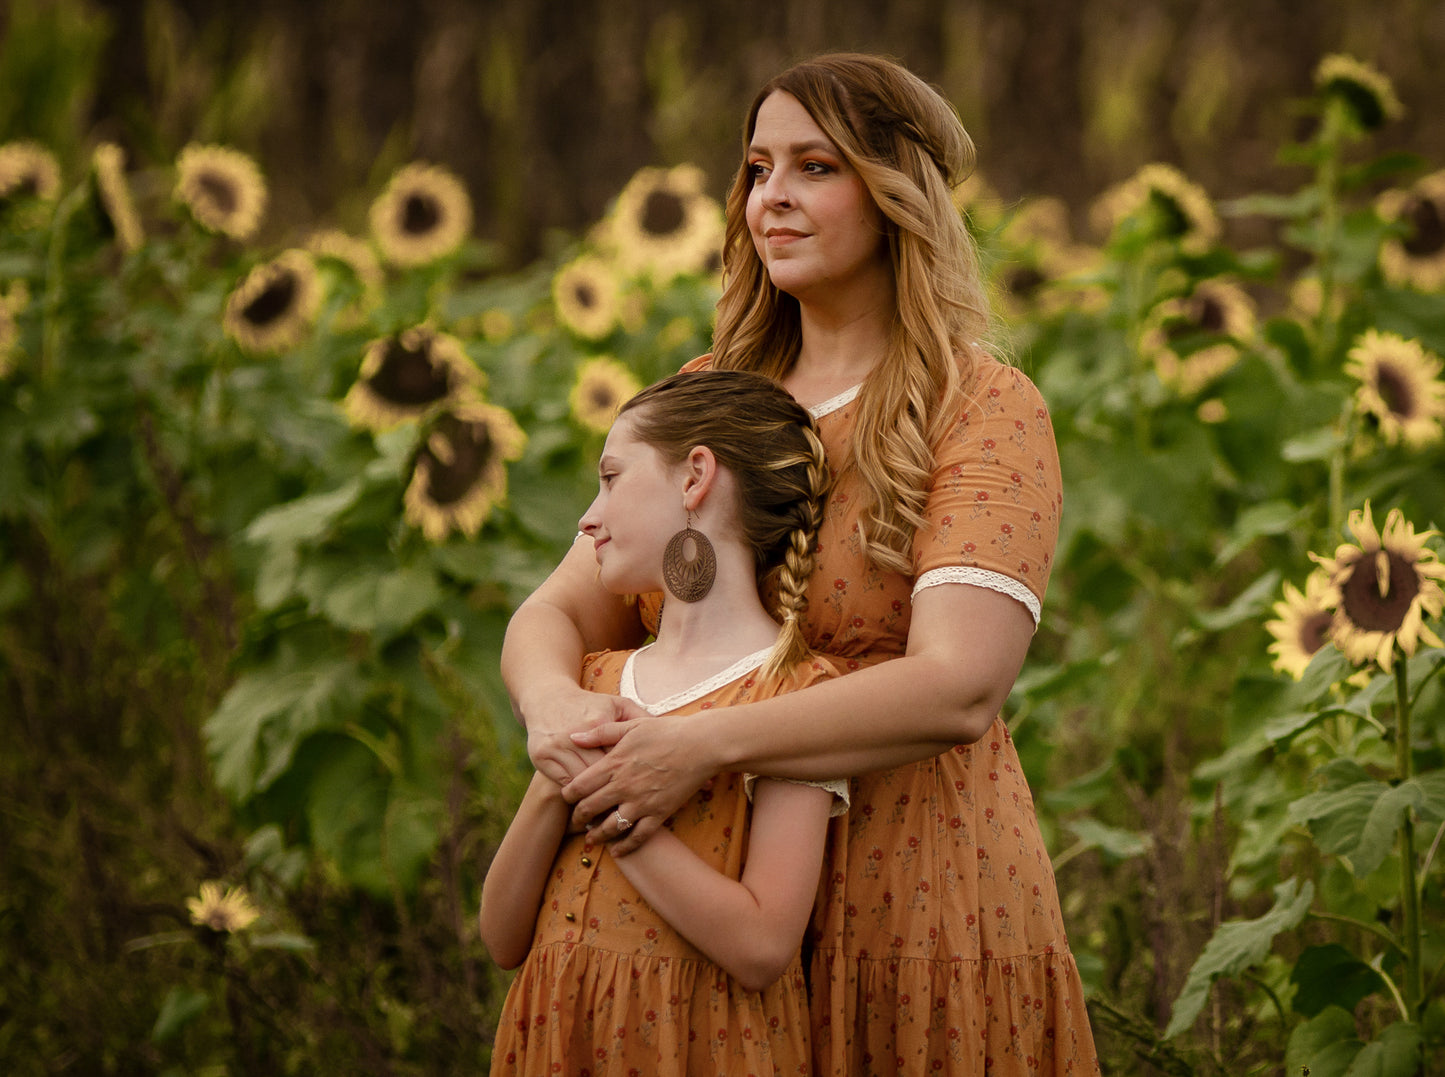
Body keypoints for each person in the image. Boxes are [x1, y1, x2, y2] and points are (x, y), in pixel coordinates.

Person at [502, 52, 1099, 1075]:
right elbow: (559, 611)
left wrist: (702, 747)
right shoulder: (707, 399)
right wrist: (551, 711)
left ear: (894, 193)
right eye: (756, 169)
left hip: (908, 899)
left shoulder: (980, 408)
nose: (769, 198)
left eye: (814, 167)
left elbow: (958, 685)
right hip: (694, 919)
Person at [481, 369, 849, 1075]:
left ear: (695, 477)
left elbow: (762, 945)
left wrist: (609, 804)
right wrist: (554, 778)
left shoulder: (794, 697)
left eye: (611, 478)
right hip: (556, 1039)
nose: (587, 518)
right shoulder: (592, 681)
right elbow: (501, 937)